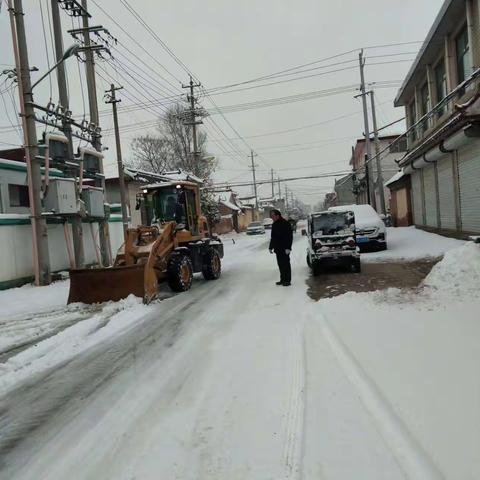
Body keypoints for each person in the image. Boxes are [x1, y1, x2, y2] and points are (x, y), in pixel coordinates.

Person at [269, 209, 293, 286]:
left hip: (285, 248)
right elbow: (273, 237)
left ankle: (287, 280)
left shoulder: (285, 223)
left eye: (273, 216)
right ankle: (282, 279)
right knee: (280, 265)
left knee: (286, 264)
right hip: (278, 248)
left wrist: (288, 248)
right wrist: (271, 246)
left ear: (277, 215)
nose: (272, 218)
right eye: (271, 216)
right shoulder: (274, 224)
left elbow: (289, 237)